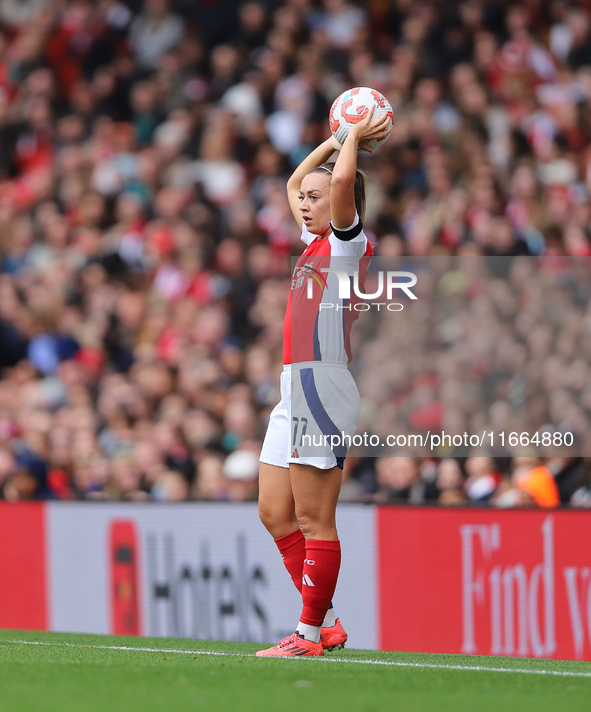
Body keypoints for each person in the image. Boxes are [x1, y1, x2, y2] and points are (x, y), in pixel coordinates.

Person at [255, 108, 390, 657]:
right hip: (295, 384)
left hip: (323, 383)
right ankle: (323, 622)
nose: (304, 204)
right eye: (305, 201)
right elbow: (293, 180)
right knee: (273, 512)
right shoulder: (314, 243)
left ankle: (309, 634)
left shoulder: (346, 245)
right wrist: (334, 139)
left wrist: (352, 136)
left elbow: (338, 181)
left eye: (316, 199)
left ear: (341, 205)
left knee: (314, 517)